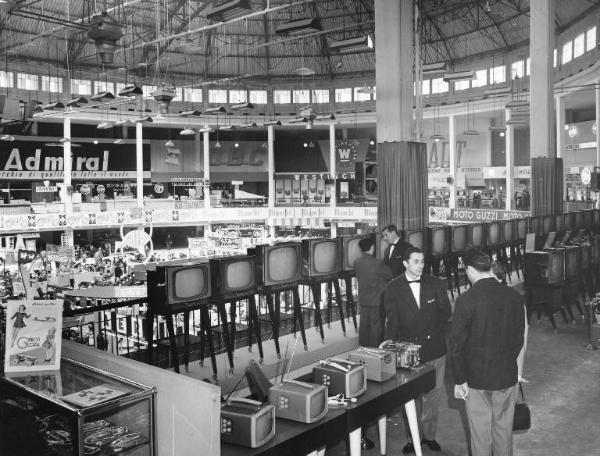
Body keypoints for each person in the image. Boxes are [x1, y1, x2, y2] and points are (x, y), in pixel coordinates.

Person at [450, 249, 525, 456]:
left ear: (469, 270)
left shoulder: (466, 300)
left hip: (476, 380)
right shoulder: (513, 296)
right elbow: (519, 338)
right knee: (503, 432)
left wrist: (459, 380)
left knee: (480, 436)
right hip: (506, 375)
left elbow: (456, 344)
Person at [383, 247, 452, 453]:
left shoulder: (436, 283)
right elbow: (392, 322)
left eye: (422, 261)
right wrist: (389, 344)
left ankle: (429, 436)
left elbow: (446, 313)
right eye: (415, 261)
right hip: (408, 351)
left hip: (435, 348)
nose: (420, 265)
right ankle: (412, 437)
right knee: (410, 398)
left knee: (433, 394)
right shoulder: (393, 288)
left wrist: (430, 330)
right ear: (405, 263)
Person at [353, 237, 393, 348]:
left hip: (363, 299)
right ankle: (375, 350)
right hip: (377, 300)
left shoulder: (357, 262)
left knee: (364, 326)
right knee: (376, 327)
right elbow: (390, 274)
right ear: (372, 248)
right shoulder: (377, 263)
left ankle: (363, 348)